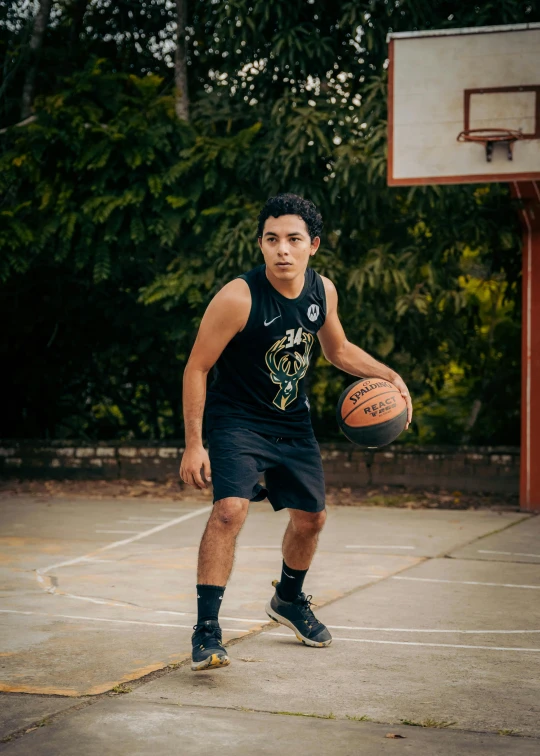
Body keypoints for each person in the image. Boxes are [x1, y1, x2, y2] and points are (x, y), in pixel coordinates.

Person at [180, 193, 412, 671]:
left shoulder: (321, 291)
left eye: (293, 239)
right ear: (261, 245)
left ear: (313, 245)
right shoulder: (238, 297)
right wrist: (194, 444)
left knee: (312, 520)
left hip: (291, 422)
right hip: (237, 420)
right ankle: (207, 632)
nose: (282, 249)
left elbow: (338, 350)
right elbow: (197, 367)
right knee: (229, 511)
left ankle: (287, 599)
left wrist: (389, 377)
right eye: (272, 239)